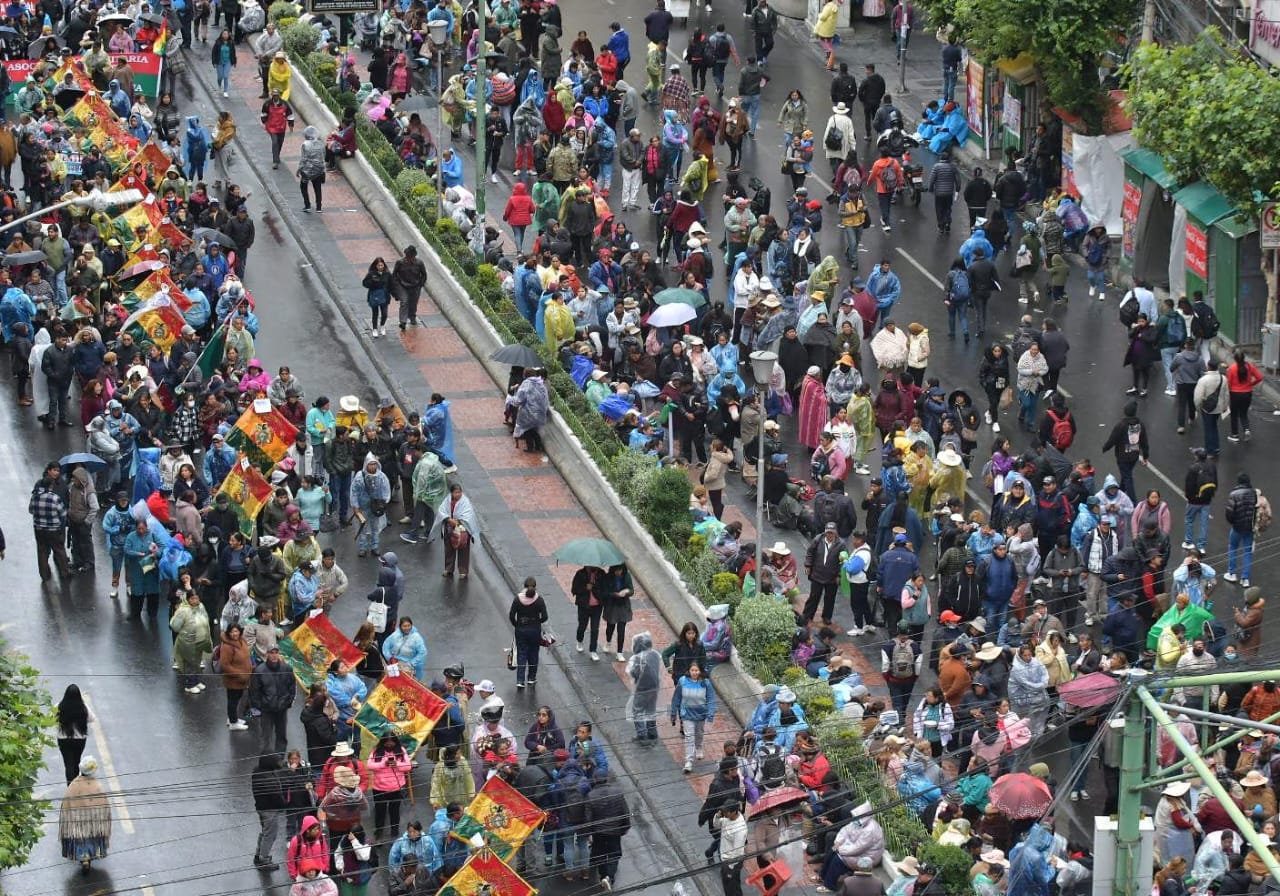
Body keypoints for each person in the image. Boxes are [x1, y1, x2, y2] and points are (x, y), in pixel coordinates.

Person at [59, 757, 111, 870]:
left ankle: (84, 859)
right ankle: (90, 856)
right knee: (91, 840)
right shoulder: (97, 786)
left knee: (80, 841)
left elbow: (66, 805)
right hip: (93, 823)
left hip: (77, 823)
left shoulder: (73, 785)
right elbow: (104, 806)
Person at [671, 661, 717, 773]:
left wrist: (710, 713)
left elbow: (711, 698)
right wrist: (673, 713)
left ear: (700, 671)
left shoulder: (705, 683)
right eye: (692, 670)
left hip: (701, 714)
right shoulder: (682, 681)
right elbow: (676, 698)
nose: (694, 672)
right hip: (686, 714)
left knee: (699, 733)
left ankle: (699, 746)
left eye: (696, 670)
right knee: (689, 736)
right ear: (689, 671)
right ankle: (688, 761)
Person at [367, 734, 412, 832]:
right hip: (379, 788)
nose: (389, 747)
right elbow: (369, 765)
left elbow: (408, 767)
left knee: (395, 811)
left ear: (395, 743)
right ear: (383, 743)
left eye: (391, 745)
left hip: (396, 788)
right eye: (387, 745)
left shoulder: (401, 750)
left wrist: (397, 764)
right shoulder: (376, 751)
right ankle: (379, 832)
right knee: (380, 812)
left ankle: (394, 831)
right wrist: (382, 764)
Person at [509, 577, 549, 688]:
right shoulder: (539, 600)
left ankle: (520, 680)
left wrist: (517, 624)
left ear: (524, 587)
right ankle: (531, 678)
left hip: (520, 630)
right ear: (535, 587)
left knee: (522, 653)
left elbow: (511, 616)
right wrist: (537, 622)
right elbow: (545, 617)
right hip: (534, 631)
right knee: (533, 653)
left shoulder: (517, 599)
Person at [1223, 472, 1258, 587]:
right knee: (1247, 551)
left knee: (1233, 547)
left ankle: (1232, 573)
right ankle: (1245, 578)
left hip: (1237, 526)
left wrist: (1233, 522)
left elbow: (1229, 512)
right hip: (1249, 526)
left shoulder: (1234, 494)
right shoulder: (1253, 493)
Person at [55, 684, 94, 785]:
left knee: (68, 764)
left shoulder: (59, 706)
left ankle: (70, 786)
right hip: (79, 740)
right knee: (76, 762)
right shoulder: (83, 707)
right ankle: (76, 786)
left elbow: (51, 719)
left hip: (63, 739)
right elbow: (92, 718)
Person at [298, 126, 327, 213]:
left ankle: (307, 205)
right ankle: (319, 207)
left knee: (303, 186)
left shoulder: (305, 144)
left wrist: (299, 169)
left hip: (307, 170)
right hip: (319, 169)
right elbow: (323, 156)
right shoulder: (321, 144)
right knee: (317, 188)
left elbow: (304, 158)